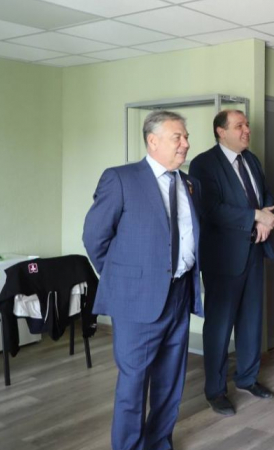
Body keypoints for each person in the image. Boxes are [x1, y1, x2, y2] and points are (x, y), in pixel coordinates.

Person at [83, 110, 203, 450]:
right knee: (134, 385)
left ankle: (159, 442)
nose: (186, 143)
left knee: (170, 381)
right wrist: (124, 279)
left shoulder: (190, 183)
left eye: (186, 137)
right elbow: (94, 238)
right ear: (153, 141)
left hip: (179, 293)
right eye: (178, 137)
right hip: (136, 300)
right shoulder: (121, 179)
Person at [189, 110, 274, 416]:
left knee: (251, 320)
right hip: (223, 258)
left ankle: (247, 378)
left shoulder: (251, 160)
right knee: (219, 326)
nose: (247, 130)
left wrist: (264, 220)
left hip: (254, 250)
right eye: (239, 126)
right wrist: (255, 216)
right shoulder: (204, 163)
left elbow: (264, 194)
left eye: (247, 125)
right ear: (221, 131)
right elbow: (211, 209)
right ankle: (215, 391)